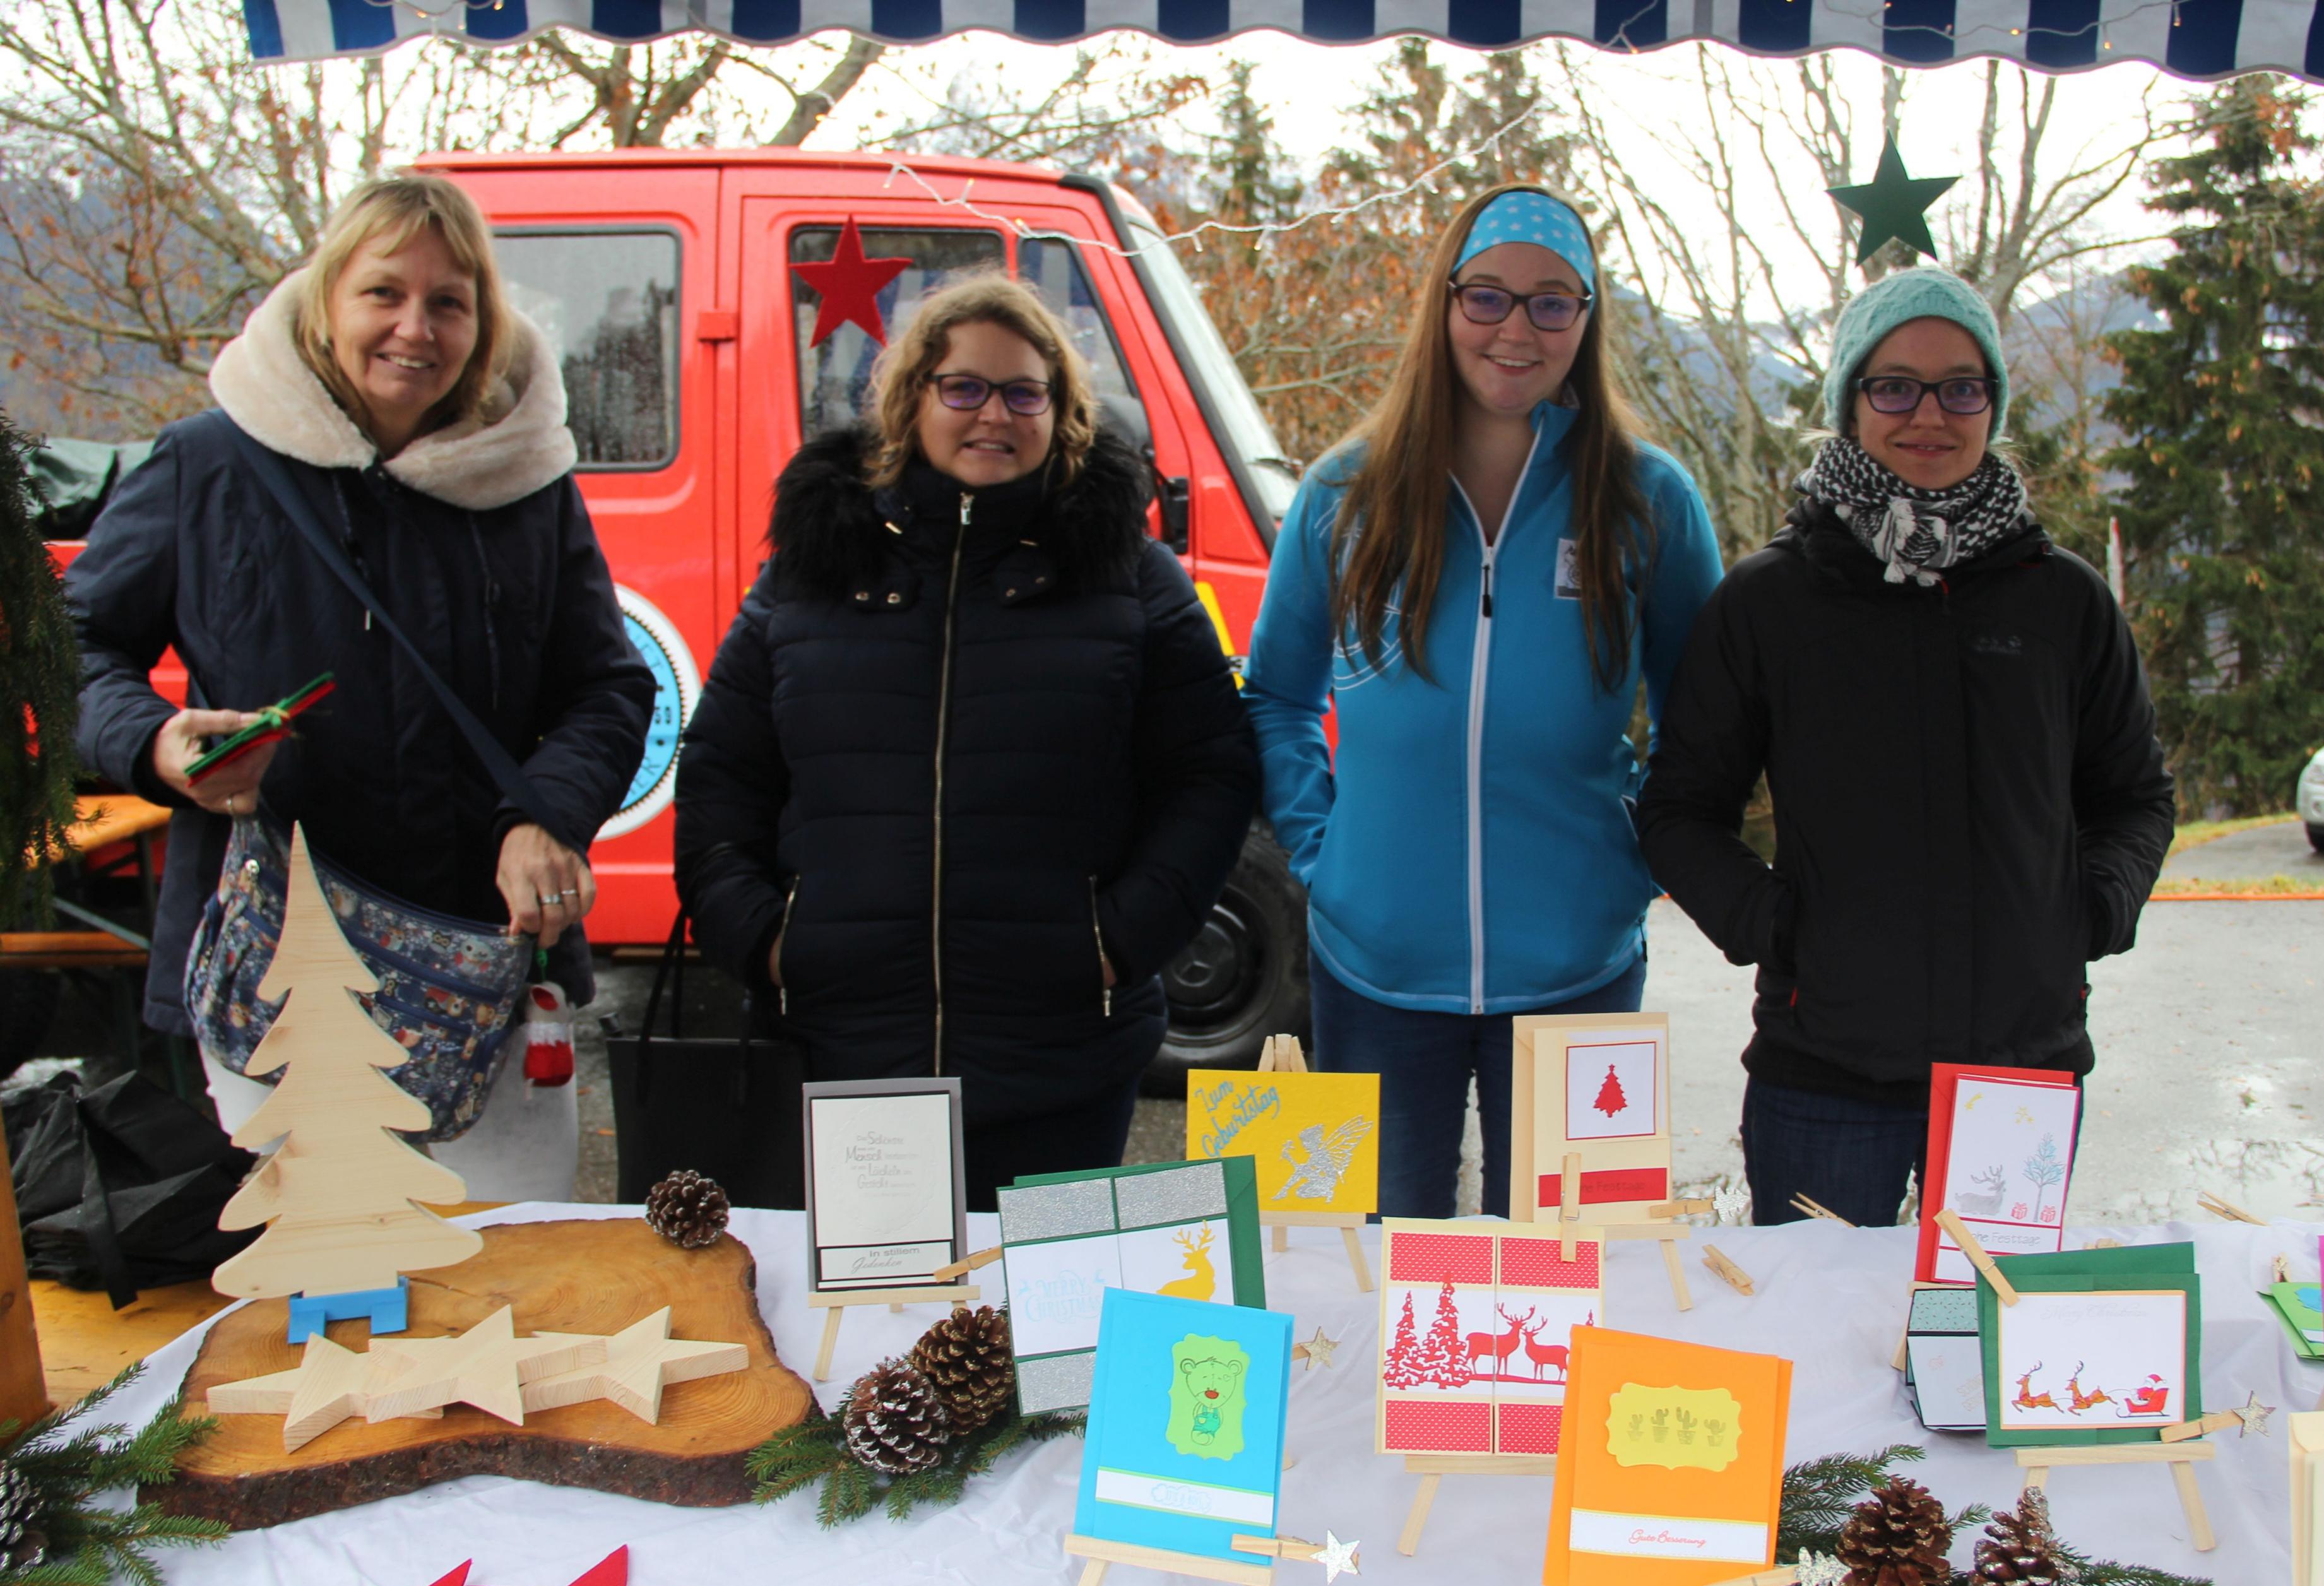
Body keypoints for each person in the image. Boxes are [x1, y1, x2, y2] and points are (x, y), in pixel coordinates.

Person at [69, 174, 653, 1202]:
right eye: (385, 292)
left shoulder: (528, 484)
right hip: (276, 968)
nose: (415, 329)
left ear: (483, 325)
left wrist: (545, 814)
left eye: (449, 302)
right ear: (326, 299)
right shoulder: (211, 463)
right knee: (314, 1280)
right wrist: (157, 745)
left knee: (516, 1266)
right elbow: (73, 647)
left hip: (489, 968)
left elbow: (607, 687)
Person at [675, 273, 1258, 1207]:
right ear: (914, 398)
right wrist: (767, 941)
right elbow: (721, 774)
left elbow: (1211, 774)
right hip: (850, 1056)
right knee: (877, 1302)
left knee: (1049, 1303)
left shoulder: (1131, 580)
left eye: (1025, 392)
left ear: (1061, 413)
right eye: (965, 387)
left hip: (1066, 1062)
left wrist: (1118, 941)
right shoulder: (813, 574)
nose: (994, 414)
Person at [1634, 268, 2176, 1226]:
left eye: (1961, 387)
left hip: (2021, 1075)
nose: (1929, 414)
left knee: (1985, 1321)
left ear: (1992, 404)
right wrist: (1781, 931)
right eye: (1895, 387)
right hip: (1826, 1076)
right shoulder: (1772, 601)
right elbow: (1680, 812)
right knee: (1812, 1320)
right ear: (1850, 403)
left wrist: (2089, 910)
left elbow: (2135, 796)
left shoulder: (2063, 600)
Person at [1242, 186, 1724, 1219]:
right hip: (1370, 967)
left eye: (1553, 302)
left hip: (1580, 972)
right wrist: (1325, 853)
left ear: (1587, 318)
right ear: (1446, 302)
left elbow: (1707, 721)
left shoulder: (1648, 500)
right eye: (1489, 296)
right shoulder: (1345, 495)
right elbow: (1277, 694)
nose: (1517, 329)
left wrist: (1636, 855)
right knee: (1374, 1261)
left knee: (1570, 1264)